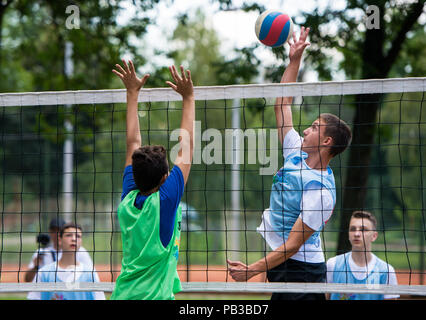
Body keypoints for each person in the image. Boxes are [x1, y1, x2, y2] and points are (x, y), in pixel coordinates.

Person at [226, 26, 352, 300]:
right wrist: (294, 60)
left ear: (327, 141)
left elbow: (293, 245)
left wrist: (252, 271)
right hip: (286, 265)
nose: (306, 130)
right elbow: (282, 104)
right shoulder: (296, 151)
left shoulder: (320, 191)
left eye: (315, 127)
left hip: (303, 272)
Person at [110, 60, 195, 300]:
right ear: (166, 178)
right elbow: (185, 148)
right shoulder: (165, 202)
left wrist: (132, 92)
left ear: (135, 177)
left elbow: (132, 144)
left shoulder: (128, 200)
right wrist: (188, 97)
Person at [326, 211, 400, 300]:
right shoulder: (332, 265)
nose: (356, 234)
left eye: (363, 229)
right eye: (353, 229)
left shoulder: (386, 271)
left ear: (374, 236)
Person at [27, 223, 105, 300]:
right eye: (69, 235)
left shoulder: (90, 274)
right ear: (60, 240)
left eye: (78, 236)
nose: (74, 239)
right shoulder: (43, 273)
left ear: (81, 242)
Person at [25, 217, 93, 282]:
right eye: (54, 231)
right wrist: (35, 267)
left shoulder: (79, 251)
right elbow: (27, 280)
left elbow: (91, 275)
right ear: (50, 232)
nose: (57, 234)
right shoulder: (42, 252)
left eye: (59, 230)